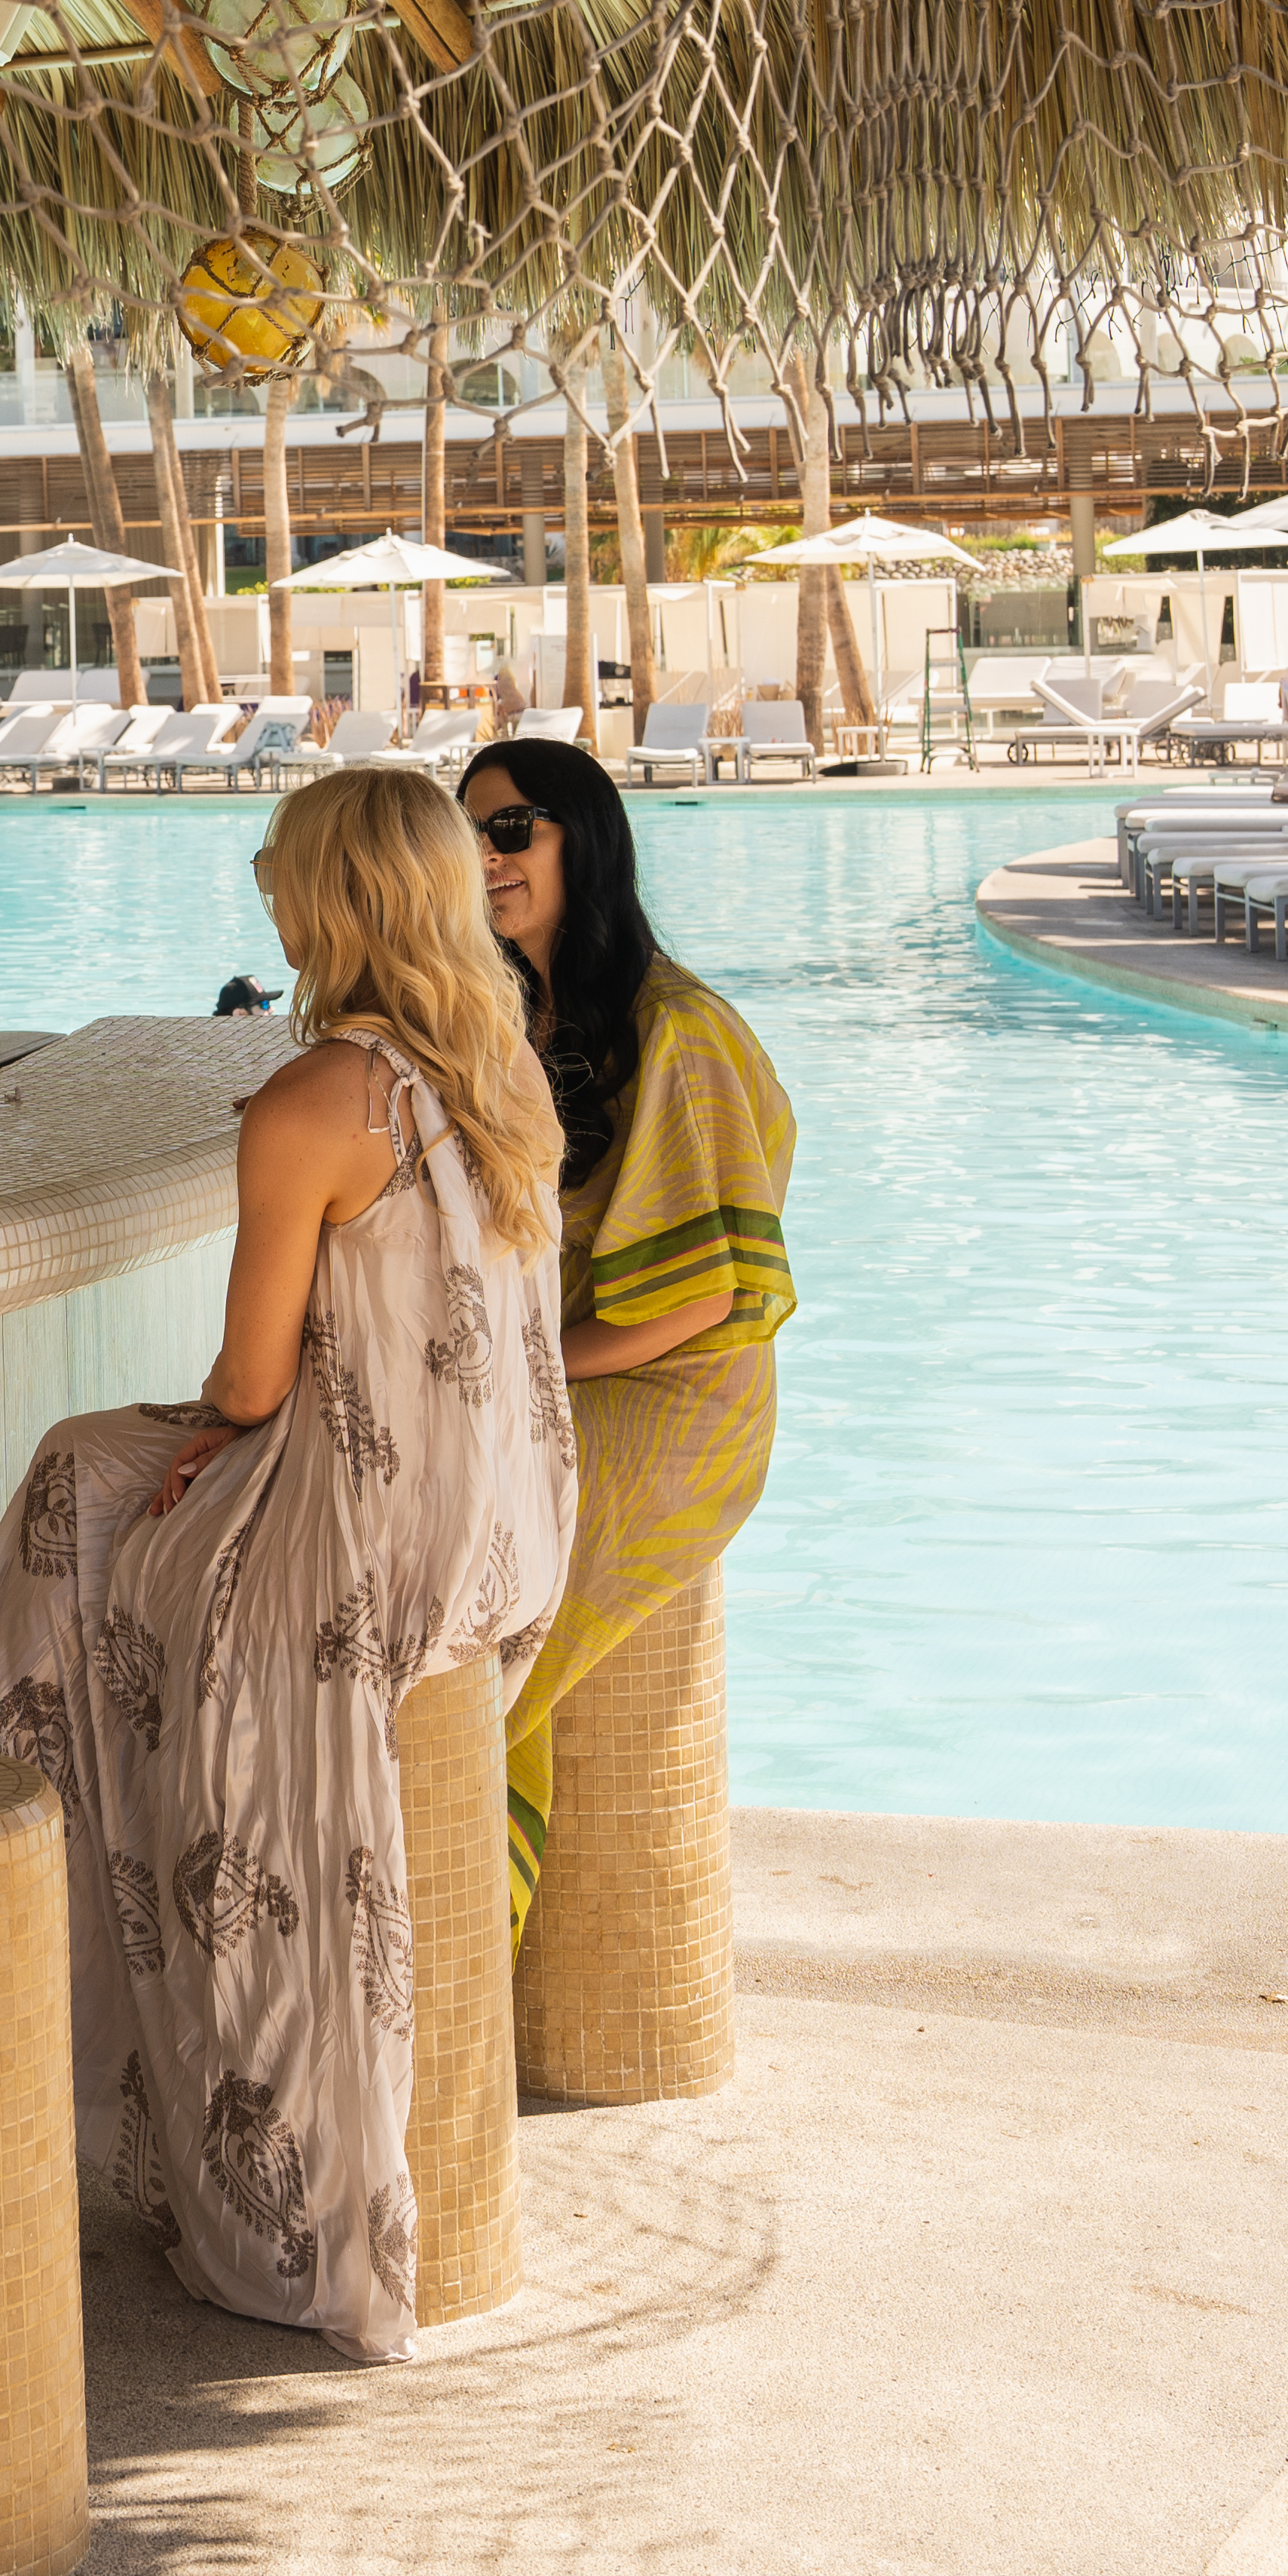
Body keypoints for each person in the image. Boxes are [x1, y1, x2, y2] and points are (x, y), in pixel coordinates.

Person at [0, 766, 574, 2357]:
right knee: (102, 1477)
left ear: (332, 901)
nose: (261, 891)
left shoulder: (310, 1107)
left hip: (365, 1548)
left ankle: (13, 1918)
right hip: (501, 1523)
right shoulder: (496, 1069)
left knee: (76, 1489)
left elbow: (246, 1386)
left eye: (274, 866)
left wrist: (210, 1443)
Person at [457, 737, 794, 1940]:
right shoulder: (505, 1017)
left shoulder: (676, 1032)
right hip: (551, 1374)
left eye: (513, 828)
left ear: (582, 841)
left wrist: (516, 1367)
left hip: (669, 1396)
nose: (486, 854)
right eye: (469, 831)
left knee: (489, 1644)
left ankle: (455, 1944)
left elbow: (699, 1301)